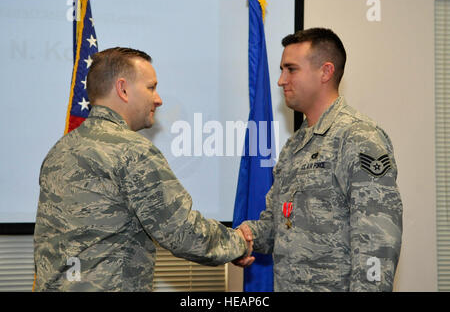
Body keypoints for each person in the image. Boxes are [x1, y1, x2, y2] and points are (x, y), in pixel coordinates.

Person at [34, 47, 251, 291]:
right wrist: (239, 242)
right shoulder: (131, 150)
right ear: (123, 89)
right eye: (151, 87)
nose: (158, 99)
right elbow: (182, 231)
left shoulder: (59, 150)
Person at [233, 28, 403, 292]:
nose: (280, 80)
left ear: (325, 72)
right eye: (281, 70)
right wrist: (243, 237)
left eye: (291, 69)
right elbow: (277, 226)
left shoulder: (359, 137)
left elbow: (377, 242)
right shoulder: (295, 144)